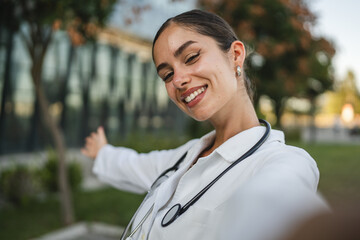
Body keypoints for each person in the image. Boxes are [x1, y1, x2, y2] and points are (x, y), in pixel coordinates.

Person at [81, 9, 328, 240]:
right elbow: (131, 166)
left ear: (236, 55)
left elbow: (274, 205)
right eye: (167, 75)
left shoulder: (284, 162)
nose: (178, 80)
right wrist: (102, 152)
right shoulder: (185, 156)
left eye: (191, 57)